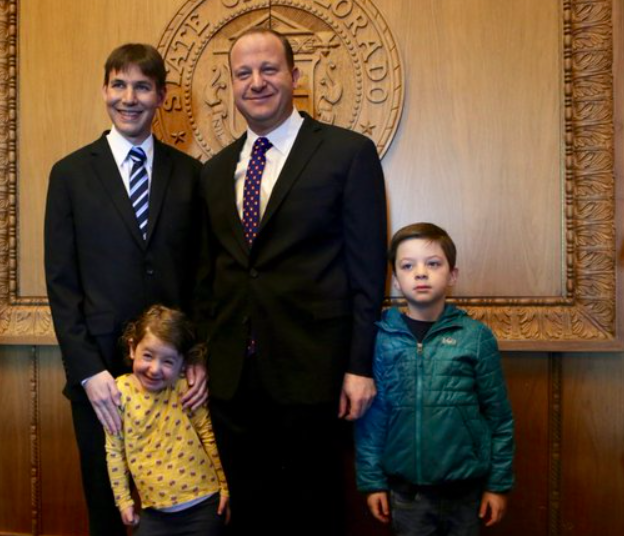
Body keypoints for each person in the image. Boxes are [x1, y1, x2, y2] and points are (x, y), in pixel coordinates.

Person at [196, 28, 388, 535]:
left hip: (315, 376)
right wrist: (201, 357)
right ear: (232, 84)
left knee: (314, 513)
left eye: (269, 69)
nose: (256, 82)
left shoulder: (347, 154)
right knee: (249, 515)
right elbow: (208, 278)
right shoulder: (213, 173)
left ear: (295, 76)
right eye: (243, 73)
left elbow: (368, 270)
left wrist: (359, 366)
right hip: (234, 381)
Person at [44, 43, 207, 536]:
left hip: (172, 371)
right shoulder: (70, 173)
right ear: (104, 90)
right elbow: (61, 281)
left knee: (179, 504)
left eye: (142, 86)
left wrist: (198, 356)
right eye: (119, 85)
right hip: (100, 376)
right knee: (109, 504)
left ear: (160, 96)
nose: (129, 97)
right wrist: (87, 369)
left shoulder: (191, 175)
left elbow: (202, 276)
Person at [355, 223, 515, 536]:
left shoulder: (475, 337)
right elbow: (372, 421)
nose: (421, 273)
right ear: (396, 280)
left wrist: (498, 485)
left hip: (465, 492)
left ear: (452, 275)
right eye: (407, 265)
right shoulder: (381, 339)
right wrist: (372, 482)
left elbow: (499, 418)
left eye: (433, 263)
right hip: (406, 494)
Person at [105, 305, 229, 535]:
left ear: (183, 362)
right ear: (132, 348)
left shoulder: (185, 387)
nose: (155, 369)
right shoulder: (119, 392)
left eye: (168, 361)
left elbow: (207, 434)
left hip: (204, 506)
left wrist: (225, 487)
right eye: (148, 356)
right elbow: (114, 450)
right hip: (154, 514)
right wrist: (123, 501)